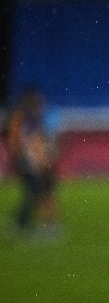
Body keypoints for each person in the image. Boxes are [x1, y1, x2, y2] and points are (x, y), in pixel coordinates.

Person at [4, 87, 61, 239]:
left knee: (40, 193)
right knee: (38, 193)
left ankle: (31, 224)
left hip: (38, 162)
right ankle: (26, 224)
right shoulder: (24, 119)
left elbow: (40, 141)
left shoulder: (33, 119)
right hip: (31, 162)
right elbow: (20, 143)